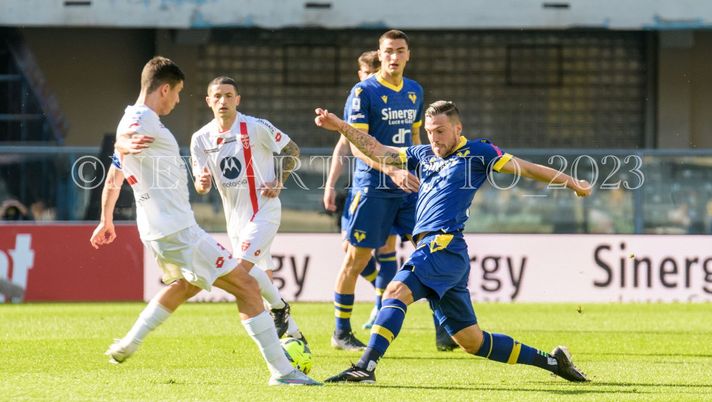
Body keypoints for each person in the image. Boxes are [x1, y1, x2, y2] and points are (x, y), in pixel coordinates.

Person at [314, 100, 591, 383]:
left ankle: (365, 366)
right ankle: (553, 362)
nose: (434, 138)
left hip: (443, 245)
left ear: (458, 129)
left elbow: (527, 169)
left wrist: (571, 182)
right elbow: (377, 149)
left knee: (395, 291)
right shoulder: (423, 154)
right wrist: (340, 126)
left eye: (441, 131)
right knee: (473, 342)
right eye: (431, 131)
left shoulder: (479, 151)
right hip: (442, 253)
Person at [89, 56, 320, 386]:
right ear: (164, 89)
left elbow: (115, 170)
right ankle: (283, 371)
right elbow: (122, 145)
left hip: (156, 232)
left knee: (185, 286)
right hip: (180, 231)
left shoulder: (132, 117)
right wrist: (122, 144)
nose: (179, 100)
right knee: (247, 286)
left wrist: (105, 218)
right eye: (178, 92)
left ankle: (128, 343)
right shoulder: (145, 118)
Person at [327, 30, 426, 352]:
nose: (394, 57)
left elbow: (415, 141)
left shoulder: (414, 91)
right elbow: (356, 145)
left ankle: (445, 327)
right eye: (388, 51)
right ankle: (341, 332)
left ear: (408, 54)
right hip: (373, 188)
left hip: (407, 189)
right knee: (355, 261)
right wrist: (391, 170)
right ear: (379, 55)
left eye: (400, 50)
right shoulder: (363, 91)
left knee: (431, 253)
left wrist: (422, 172)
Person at [190, 75, 307, 342]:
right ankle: (295, 335)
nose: (223, 101)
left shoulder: (255, 126)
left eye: (229, 96)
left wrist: (279, 180)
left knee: (239, 272)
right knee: (254, 281)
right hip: (235, 222)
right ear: (208, 101)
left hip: (264, 210)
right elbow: (201, 186)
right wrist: (201, 182)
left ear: (238, 100)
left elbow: (292, 149)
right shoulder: (200, 138)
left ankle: (279, 309)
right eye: (217, 96)